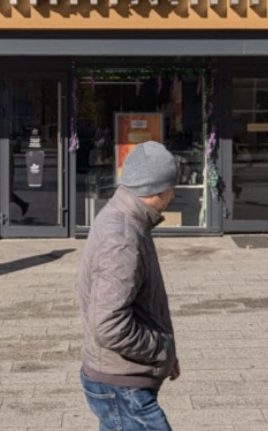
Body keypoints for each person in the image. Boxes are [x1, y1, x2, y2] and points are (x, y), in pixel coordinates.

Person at [77, 140, 180, 431]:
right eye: (171, 188)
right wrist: (160, 349)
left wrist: (164, 355)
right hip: (122, 387)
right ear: (157, 190)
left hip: (121, 378)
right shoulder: (122, 236)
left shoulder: (127, 219)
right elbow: (109, 325)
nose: (173, 195)